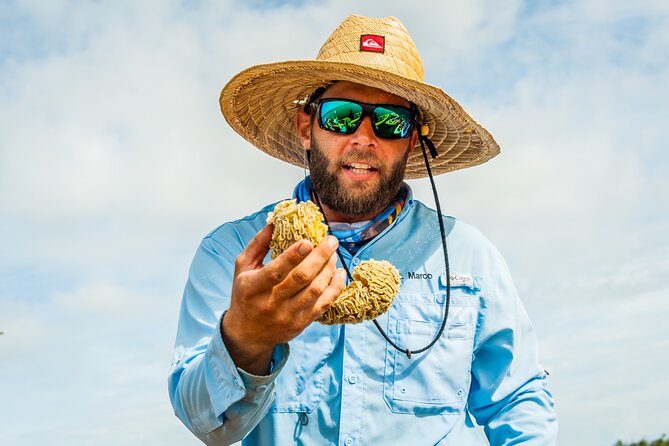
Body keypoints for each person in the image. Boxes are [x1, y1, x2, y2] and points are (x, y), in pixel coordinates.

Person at [168, 14, 558, 445]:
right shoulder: (232, 253)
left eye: (392, 122)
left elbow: (518, 399)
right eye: (341, 116)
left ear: (411, 142)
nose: (364, 137)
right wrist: (245, 338)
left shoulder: (468, 255)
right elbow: (207, 425)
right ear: (305, 128)